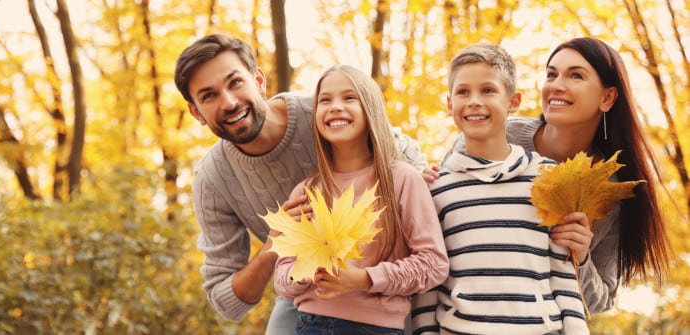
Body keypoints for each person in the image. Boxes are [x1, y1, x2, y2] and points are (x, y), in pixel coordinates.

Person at [173, 33, 432, 334]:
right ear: (196, 112)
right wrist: (274, 245)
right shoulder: (212, 179)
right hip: (307, 285)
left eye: (235, 82)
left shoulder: (325, 111)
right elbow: (227, 301)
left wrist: (417, 179)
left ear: (258, 80)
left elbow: (404, 152)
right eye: (209, 95)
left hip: (386, 269)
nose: (229, 102)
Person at [439, 37, 671, 315]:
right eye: (551, 74)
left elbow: (599, 302)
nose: (556, 85)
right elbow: (439, 227)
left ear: (607, 98)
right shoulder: (498, 132)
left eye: (575, 75)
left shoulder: (610, 191)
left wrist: (581, 257)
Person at [411, 42, 589, 335]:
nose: (474, 101)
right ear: (449, 104)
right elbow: (429, 284)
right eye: (463, 92)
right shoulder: (436, 190)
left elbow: (563, 272)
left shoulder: (549, 179)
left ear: (513, 102)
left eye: (488, 90)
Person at [273, 64, 449, 334]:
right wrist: (307, 271)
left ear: (370, 108)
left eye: (349, 97)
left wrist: (366, 279)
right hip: (311, 326)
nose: (335, 106)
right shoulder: (305, 192)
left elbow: (434, 263)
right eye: (325, 100)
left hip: (376, 328)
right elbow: (282, 280)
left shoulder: (402, 180)